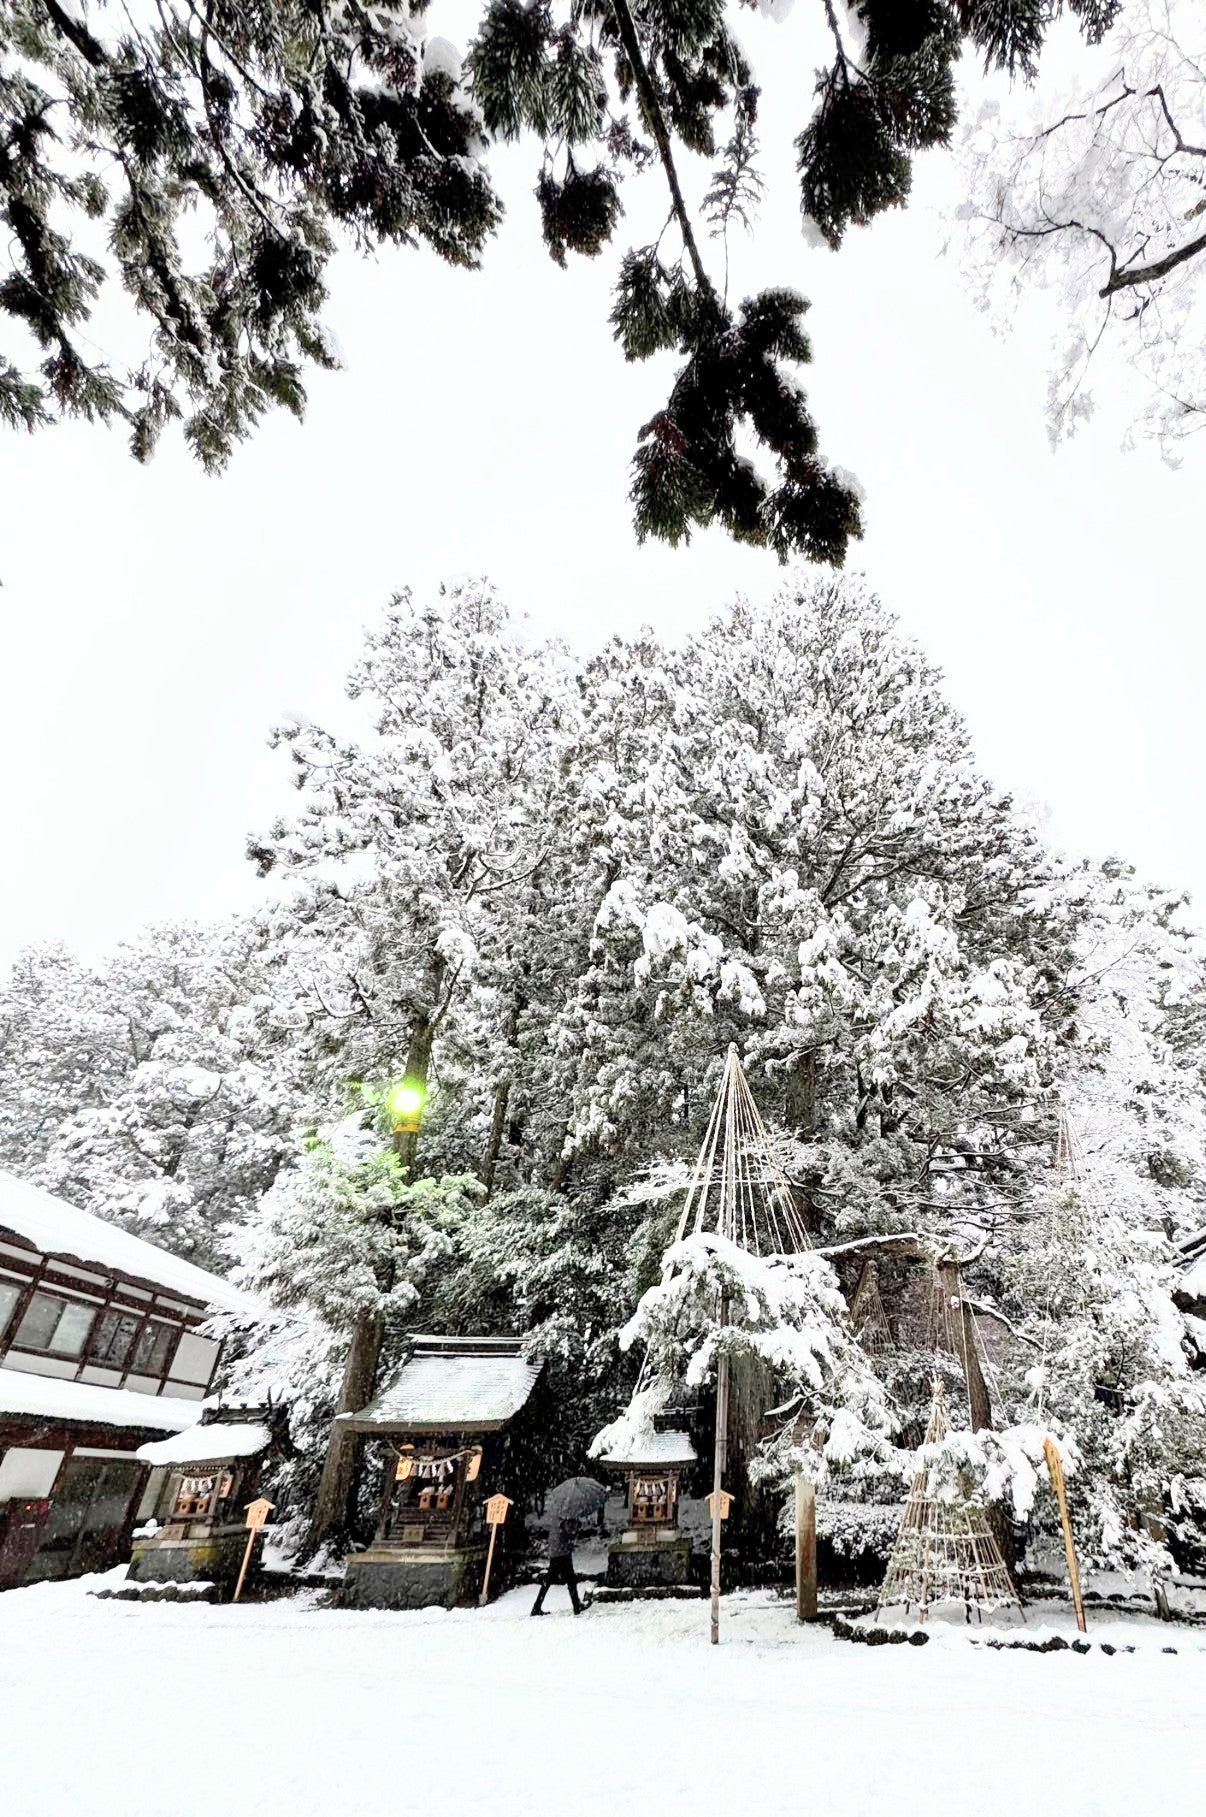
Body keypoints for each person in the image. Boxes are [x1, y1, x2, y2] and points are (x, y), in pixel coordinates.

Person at [530, 1509, 582, 1616]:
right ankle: (577, 1606)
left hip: (555, 1553)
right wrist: (576, 1528)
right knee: (571, 1580)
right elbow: (568, 1533)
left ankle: (537, 1606)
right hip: (563, 1553)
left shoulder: (556, 1519)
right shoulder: (565, 1519)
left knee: (549, 1580)